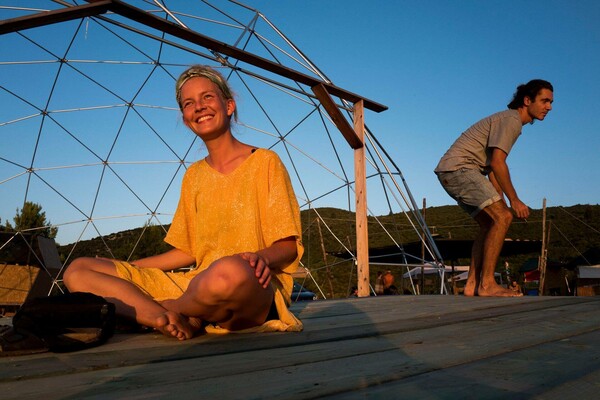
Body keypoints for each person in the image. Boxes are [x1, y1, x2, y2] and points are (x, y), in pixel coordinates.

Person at [63, 65, 304, 340]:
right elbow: (188, 251)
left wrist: (260, 258)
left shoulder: (265, 162)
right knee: (79, 270)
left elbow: (287, 245)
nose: (199, 107)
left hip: (250, 285)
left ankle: (167, 310)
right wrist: (130, 267)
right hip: (196, 284)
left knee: (229, 271)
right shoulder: (194, 175)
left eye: (207, 98)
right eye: (189, 103)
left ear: (228, 105)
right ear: (186, 118)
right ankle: (168, 318)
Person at [434, 79, 553, 297]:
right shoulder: (512, 120)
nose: (549, 107)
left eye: (551, 102)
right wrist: (514, 201)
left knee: (491, 222)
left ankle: (472, 284)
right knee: (503, 217)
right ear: (527, 101)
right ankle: (487, 284)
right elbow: (499, 162)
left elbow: (490, 167)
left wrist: (501, 200)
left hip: (453, 171)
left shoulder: (508, 121)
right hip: (460, 169)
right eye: (544, 101)